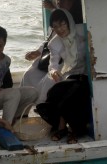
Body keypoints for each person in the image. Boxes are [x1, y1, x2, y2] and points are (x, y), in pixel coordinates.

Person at [35, 9, 89, 144]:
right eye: (55, 26)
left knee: (65, 93)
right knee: (57, 92)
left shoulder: (83, 31)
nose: (59, 29)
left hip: (87, 75)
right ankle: (67, 129)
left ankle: (67, 129)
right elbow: (53, 64)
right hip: (69, 76)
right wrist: (53, 71)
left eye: (62, 24)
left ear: (69, 22)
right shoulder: (54, 43)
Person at [21, 0, 83, 89]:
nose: (59, 1)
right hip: (63, 65)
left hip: (80, 70)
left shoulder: (81, 27)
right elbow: (51, 44)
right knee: (30, 74)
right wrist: (39, 52)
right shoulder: (55, 40)